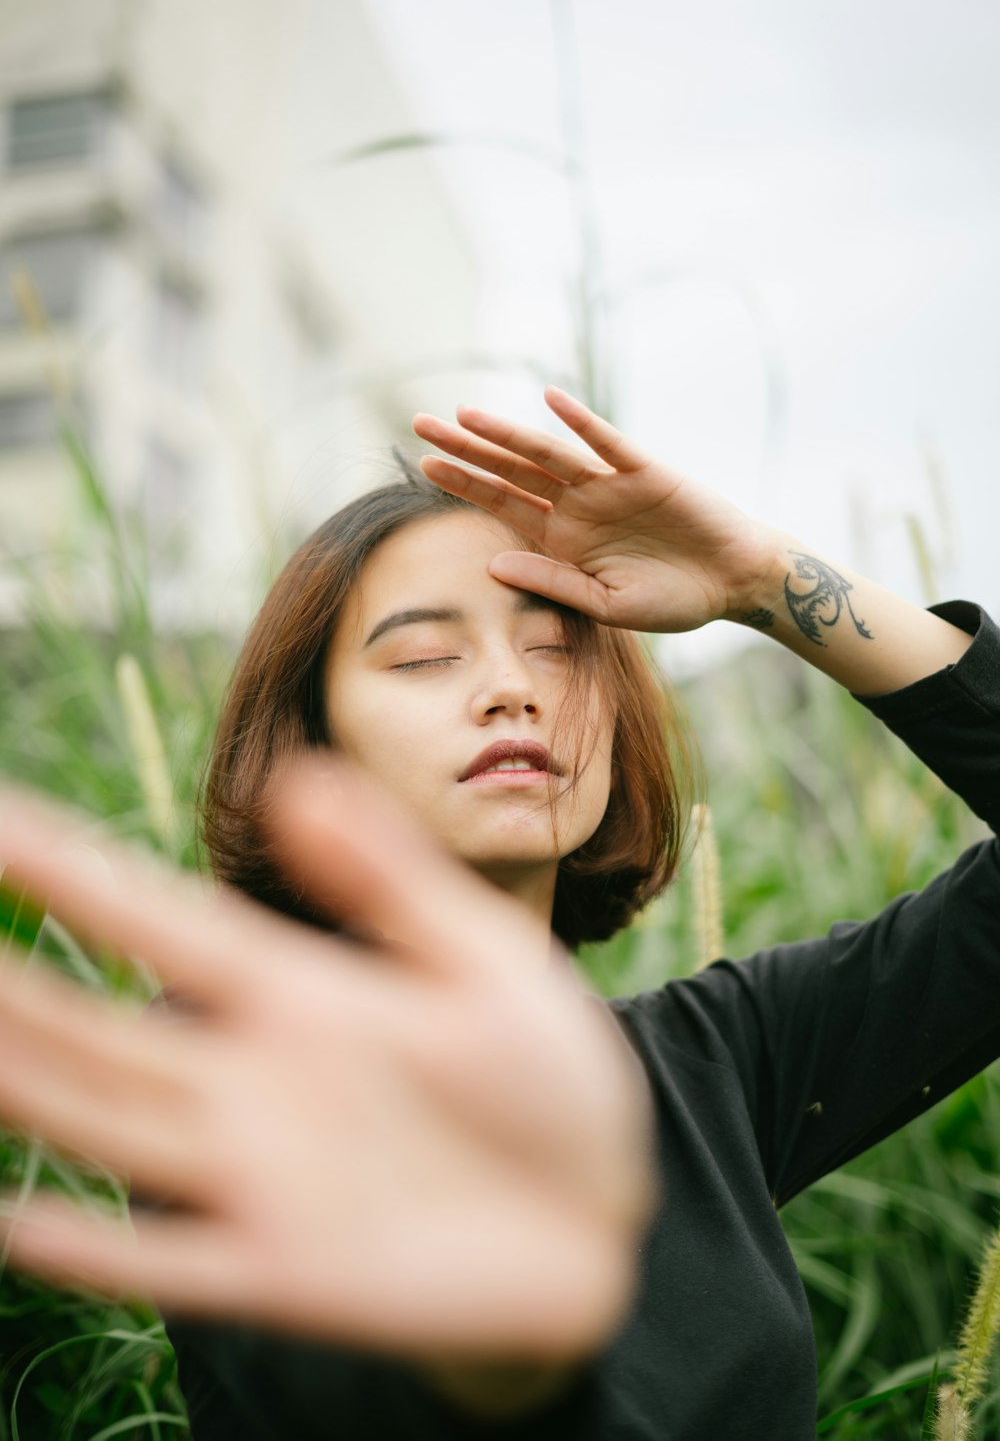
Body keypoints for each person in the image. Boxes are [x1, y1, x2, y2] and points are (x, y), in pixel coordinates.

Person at [0, 385, 996, 1439]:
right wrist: (511, 1368)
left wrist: (758, 580)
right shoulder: (242, 1063)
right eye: (426, 655)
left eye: (560, 647)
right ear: (313, 746)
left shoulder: (718, 1064)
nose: (510, 688)